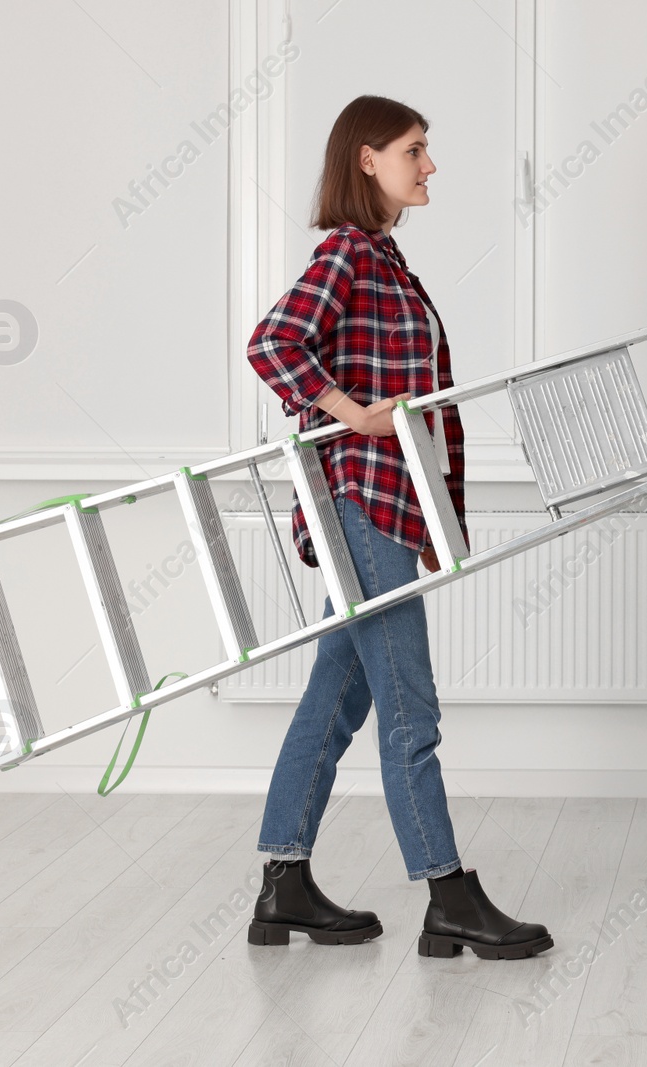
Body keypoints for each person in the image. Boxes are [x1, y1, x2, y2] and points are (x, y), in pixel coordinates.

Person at [242, 94, 551, 961]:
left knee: (338, 697)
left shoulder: (384, 260)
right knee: (409, 704)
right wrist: (352, 415)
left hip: (385, 507)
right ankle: (448, 893)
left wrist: (430, 518)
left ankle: (283, 882)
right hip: (361, 501)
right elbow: (273, 344)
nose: (430, 164)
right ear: (367, 159)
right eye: (415, 149)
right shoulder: (347, 254)